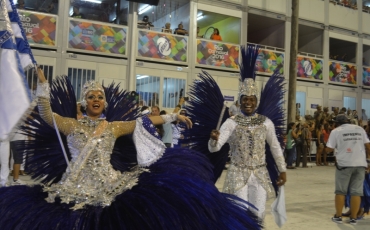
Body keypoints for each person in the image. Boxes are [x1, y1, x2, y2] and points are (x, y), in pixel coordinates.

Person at [0, 68, 261, 229]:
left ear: (104, 102)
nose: (96, 100)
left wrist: (173, 117)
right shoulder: (69, 125)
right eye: (91, 96)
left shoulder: (113, 127)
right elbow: (46, 114)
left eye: (100, 97)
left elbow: (143, 122)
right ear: (84, 101)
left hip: (109, 186)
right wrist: (43, 85)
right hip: (74, 189)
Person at [208, 45, 287, 220]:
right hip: (237, 173)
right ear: (240, 101)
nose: (248, 103)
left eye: (252, 99)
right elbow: (215, 148)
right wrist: (213, 140)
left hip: (260, 174)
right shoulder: (231, 122)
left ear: (256, 101)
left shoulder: (266, 122)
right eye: (245, 100)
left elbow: (275, 147)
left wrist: (282, 169)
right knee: (240, 213)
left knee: (258, 214)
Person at [327, 114, 370, 225]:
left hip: (344, 165)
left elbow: (329, 149)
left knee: (341, 191)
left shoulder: (336, 131)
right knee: (356, 192)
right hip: (360, 165)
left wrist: (323, 148)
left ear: (337, 123)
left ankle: (338, 216)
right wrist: (368, 161)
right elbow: (368, 146)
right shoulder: (360, 129)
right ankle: (353, 218)